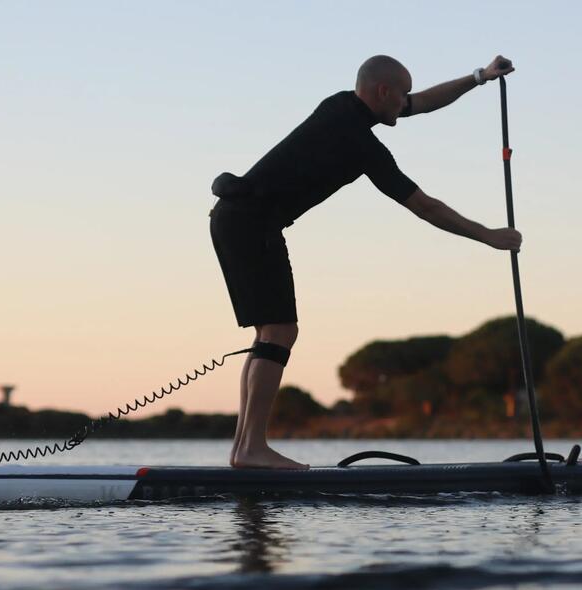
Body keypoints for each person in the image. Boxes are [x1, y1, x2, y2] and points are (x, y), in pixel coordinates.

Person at [210, 55, 522, 469]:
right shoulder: (359, 142)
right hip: (252, 224)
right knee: (281, 331)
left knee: (270, 333)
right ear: (383, 93)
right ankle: (251, 449)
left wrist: (480, 77)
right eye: (402, 95)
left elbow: (423, 102)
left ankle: (243, 450)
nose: (407, 103)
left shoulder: (340, 105)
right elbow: (425, 207)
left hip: (235, 219)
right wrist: (489, 236)